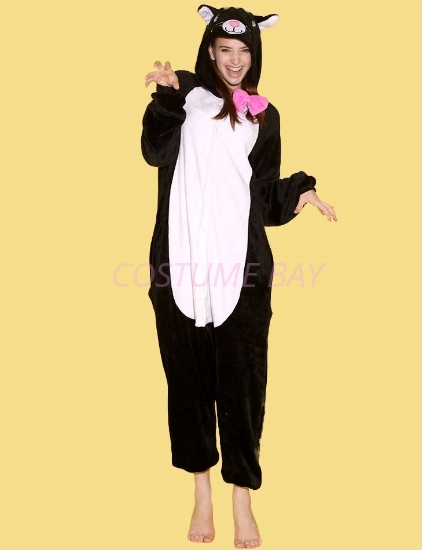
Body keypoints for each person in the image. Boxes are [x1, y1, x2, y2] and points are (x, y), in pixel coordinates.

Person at [141, 5, 337, 548]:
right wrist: (165, 97)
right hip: (178, 263)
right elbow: (154, 151)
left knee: (244, 385)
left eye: (243, 51)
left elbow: (263, 195)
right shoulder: (183, 96)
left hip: (242, 269)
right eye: (225, 50)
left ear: (255, 54)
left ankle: (241, 497)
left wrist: (299, 193)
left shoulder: (264, 115)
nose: (234, 61)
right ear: (210, 50)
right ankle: (201, 491)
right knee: (187, 383)